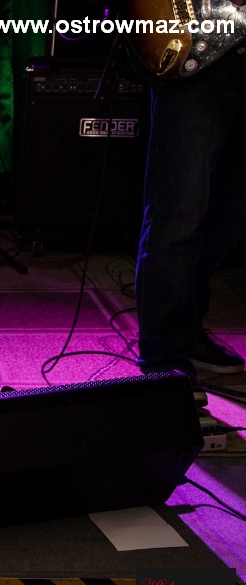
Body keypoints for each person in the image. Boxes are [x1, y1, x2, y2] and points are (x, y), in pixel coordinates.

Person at [135, 31, 246, 382]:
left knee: (232, 214)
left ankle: (185, 329)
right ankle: (164, 353)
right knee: (179, 209)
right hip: (197, 50)